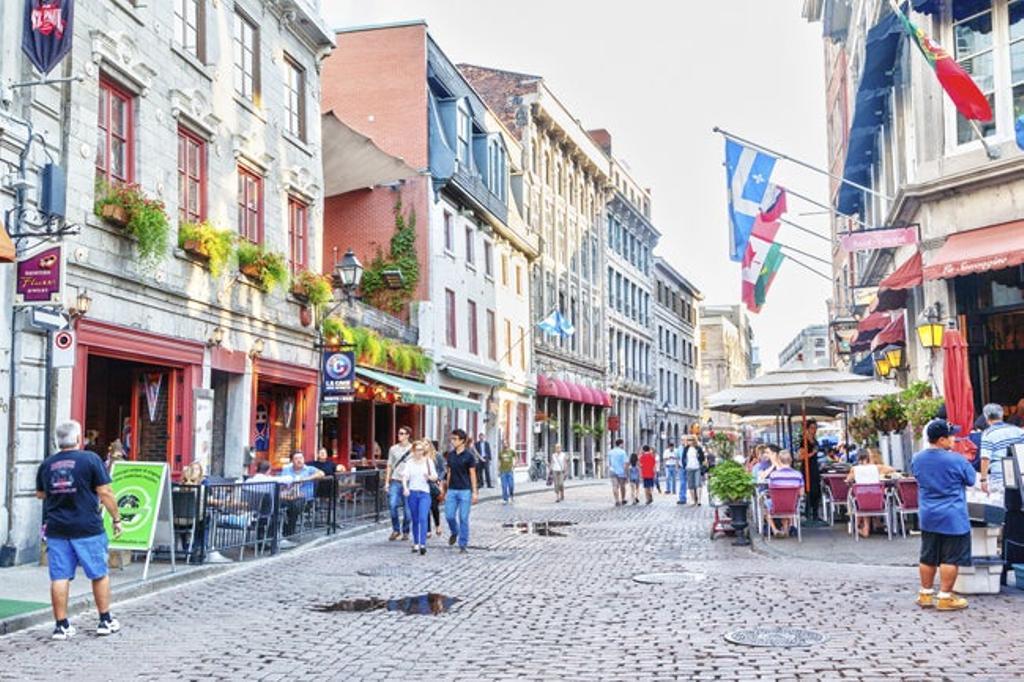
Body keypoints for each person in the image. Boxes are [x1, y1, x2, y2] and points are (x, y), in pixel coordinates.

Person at [36, 420, 123, 640]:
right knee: (99, 574)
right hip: (88, 527)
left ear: (58, 441)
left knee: (59, 576)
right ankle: (105, 620)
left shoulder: (46, 465)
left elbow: (40, 494)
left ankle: (61, 625)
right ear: (77, 439)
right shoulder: (91, 459)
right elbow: (105, 492)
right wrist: (116, 518)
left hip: (57, 528)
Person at [911, 420, 976, 611]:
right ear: (941, 439)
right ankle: (945, 597)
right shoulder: (956, 459)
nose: (954, 439)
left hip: (928, 514)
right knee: (950, 558)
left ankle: (925, 594)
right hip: (953, 516)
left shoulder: (917, 458)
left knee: (928, 555)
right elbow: (971, 480)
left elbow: (917, 476)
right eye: (951, 436)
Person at [979, 403, 1024, 501]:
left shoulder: (987, 434)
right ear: (1002, 415)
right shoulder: (1017, 430)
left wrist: (983, 480)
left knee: (1003, 509)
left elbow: (985, 459)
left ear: (986, 417)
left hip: (1000, 478)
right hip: (1021, 475)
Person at [402, 439, 439, 555]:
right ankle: (416, 543)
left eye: (421, 450)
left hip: (425, 493)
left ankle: (423, 544)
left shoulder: (428, 461)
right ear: (413, 450)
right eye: (417, 450)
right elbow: (405, 476)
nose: (419, 452)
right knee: (415, 519)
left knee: (423, 517)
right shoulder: (409, 463)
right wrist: (405, 488)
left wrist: (429, 476)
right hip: (412, 493)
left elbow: (435, 477)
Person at [445, 429, 478, 552]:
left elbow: (473, 474)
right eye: (452, 439)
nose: (452, 441)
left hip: (465, 491)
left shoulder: (469, 456)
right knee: (449, 516)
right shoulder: (450, 455)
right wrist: (446, 489)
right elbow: (449, 472)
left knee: (463, 518)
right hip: (452, 490)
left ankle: (463, 544)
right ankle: (455, 531)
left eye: (455, 439)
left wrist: (475, 492)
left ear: (462, 441)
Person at [277, 452, 324, 535]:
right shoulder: (287, 470)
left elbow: (321, 473)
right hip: (288, 496)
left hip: (305, 500)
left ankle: (288, 533)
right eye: (296, 459)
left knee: (292, 507)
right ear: (292, 461)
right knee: (276, 505)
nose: (299, 461)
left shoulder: (309, 469)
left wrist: (306, 479)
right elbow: (282, 483)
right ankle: (276, 532)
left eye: (301, 458)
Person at [384, 426, 414, 542]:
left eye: (402, 433)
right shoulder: (393, 449)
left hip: (409, 482)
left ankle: (405, 531)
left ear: (407, 435)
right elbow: (389, 466)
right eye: (399, 433)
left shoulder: (413, 449)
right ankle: (396, 529)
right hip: (396, 480)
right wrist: (387, 482)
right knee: (392, 505)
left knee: (408, 510)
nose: (399, 436)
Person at [766, 451, 804, 537]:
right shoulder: (798, 475)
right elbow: (801, 493)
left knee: (767, 505)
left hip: (778, 505)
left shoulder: (773, 475)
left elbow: (771, 491)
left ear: (779, 461)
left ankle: (774, 530)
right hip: (792, 506)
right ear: (791, 460)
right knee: (789, 500)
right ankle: (786, 529)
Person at [682, 436, 705, 506]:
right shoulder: (686, 449)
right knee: (691, 485)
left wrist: (699, 459)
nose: (689, 441)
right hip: (689, 467)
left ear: (694, 440)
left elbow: (702, 458)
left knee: (698, 484)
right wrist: (684, 466)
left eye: (691, 440)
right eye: (688, 440)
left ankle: (699, 500)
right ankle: (693, 500)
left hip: (697, 467)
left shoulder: (698, 448)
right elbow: (683, 458)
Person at [607, 439, 628, 507]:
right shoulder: (622, 452)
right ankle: (623, 499)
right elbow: (625, 463)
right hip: (621, 471)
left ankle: (616, 500)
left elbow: (609, 462)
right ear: (620, 444)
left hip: (613, 470)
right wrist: (626, 472)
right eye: (623, 444)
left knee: (614, 486)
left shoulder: (611, 452)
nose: (623, 445)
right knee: (622, 486)